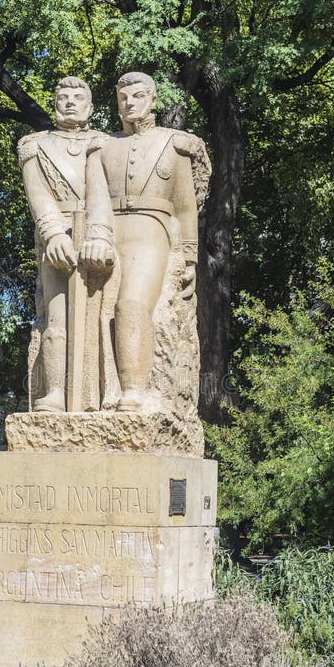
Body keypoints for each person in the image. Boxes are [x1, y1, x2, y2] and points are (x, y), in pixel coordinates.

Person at [83, 71, 208, 412]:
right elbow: (93, 198)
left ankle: (134, 389)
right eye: (123, 97)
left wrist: (189, 258)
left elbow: (185, 207)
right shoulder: (101, 147)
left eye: (138, 96)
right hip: (109, 230)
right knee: (97, 312)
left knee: (131, 304)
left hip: (152, 230)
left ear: (153, 100)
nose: (129, 103)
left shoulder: (173, 144)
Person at [18, 77, 111, 411]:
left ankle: (103, 394)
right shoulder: (34, 144)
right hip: (57, 235)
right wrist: (53, 234)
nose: (70, 102)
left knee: (103, 318)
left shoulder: (106, 143)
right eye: (63, 97)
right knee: (56, 316)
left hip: (101, 234)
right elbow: (38, 195)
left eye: (78, 97)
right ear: (54, 103)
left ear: (91, 106)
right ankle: (56, 391)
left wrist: (101, 234)